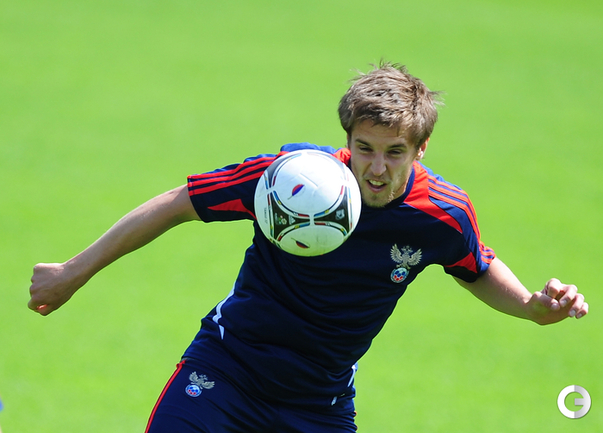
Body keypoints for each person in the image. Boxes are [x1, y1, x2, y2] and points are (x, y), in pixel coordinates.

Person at [28, 62, 588, 432]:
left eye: (394, 152)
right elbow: (180, 202)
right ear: (347, 139)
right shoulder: (291, 178)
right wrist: (73, 271)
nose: (376, 168)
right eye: (364, 148)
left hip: (318, 404)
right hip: (226, 371)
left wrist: (530, 306)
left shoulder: (440, 213)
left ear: (421, 148)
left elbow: (475, 266)